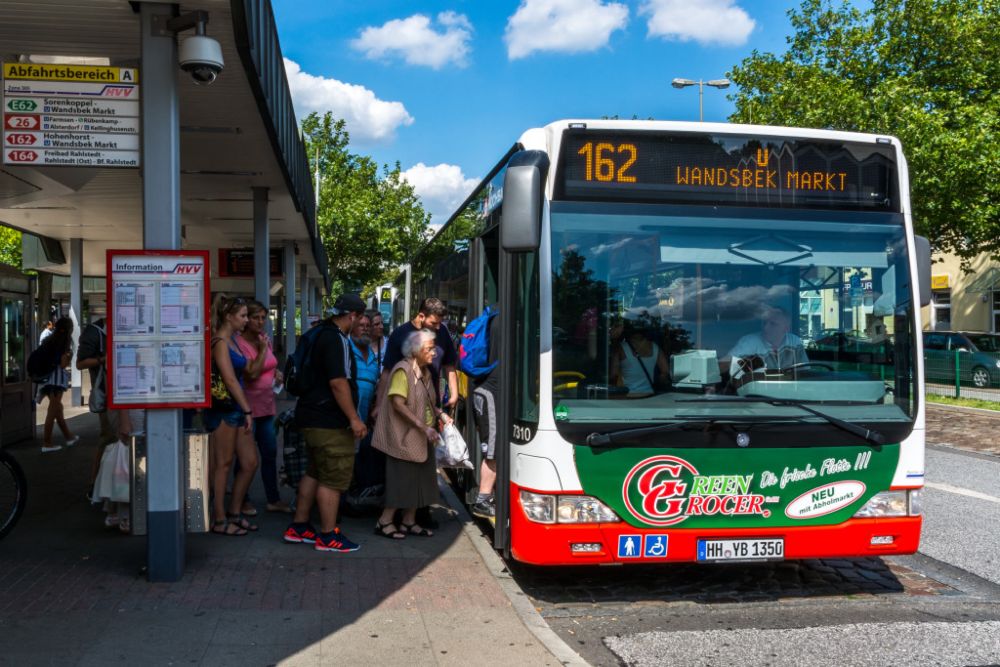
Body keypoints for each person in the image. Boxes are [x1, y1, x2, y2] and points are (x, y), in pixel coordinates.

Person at [283, 293, 367, 553]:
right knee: (332, 478)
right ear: (352, 316)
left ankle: (299, 527)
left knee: (315, 471)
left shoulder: (318, 332)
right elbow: (338, 382)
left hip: (309, 415)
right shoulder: (337, 339)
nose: (361, 322)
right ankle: (328, 535)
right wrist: (354, 418)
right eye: (361, 317)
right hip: (329, 421)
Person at [375, 297, 458, 529]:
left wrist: (449, 398)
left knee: (423, 469)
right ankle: (391, 519)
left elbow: (450, 365)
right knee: (406, 471)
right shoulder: (402, 345)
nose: (438, 329)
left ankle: (412, 518)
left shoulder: (428, 371)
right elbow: (389, 377)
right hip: (411, 417)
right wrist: (379, 404)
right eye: (434, 323)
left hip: (427, 408)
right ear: (421, 316)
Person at [206, 295, 259, 536]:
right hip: (225, 408)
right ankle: (219, 518)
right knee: (223, 464)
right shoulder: (219, 342)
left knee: (249, 462)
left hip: (236, 408)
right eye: (243, 316)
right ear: (228, 317)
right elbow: (229, 379)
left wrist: (264, 347)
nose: (246, 320)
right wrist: (247, 408)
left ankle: (234, 512)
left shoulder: (234, 341)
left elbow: (247, 370)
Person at [236, 300, 290, 514]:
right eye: (255, 317)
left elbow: (269, 366)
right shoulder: (239, 343)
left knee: (269, 454)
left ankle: (273, 499)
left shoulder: (263, 340)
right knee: (246, 460)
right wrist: (260, 351)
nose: (260, 322)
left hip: (267, 406)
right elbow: (250, 373)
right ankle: (243, 499)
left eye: (263, 318)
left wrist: (276, 375)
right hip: (248, 409)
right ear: (246, 319)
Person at [471, 307, 501, 519]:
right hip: (491, 393)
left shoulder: (493, 316)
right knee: (493, 450)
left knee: (494, 448)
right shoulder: (504, 318)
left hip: (486, 390)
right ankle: (483, 499)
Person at [76, 317, 112, 482]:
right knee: (108, 438)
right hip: (106, 394)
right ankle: (96, 484)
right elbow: (80, 363)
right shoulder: (95, 331)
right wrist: (104, 359)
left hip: (128, 394)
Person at [725, 305, 808, 376]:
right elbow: (724, 364)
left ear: (786, 328)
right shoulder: (749, 342)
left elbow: (805, 373)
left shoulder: (795, 342)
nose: (765, 328)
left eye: (773, 324)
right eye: (764, 323)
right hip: (756, 393)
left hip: (789, 393)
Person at [36, 317, 78, 453]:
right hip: (56, 380)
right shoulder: (64, 342)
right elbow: (63, 364)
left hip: (46, 379)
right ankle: (47, 443)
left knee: (58, 409)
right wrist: (70, 355)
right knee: (53, 411)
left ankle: (69, 436)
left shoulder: (48, 340)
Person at [609, 316, 670, 397]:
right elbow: (665, 372)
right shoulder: (655, 347)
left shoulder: (621, 348)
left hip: (629, 397)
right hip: (649, 397)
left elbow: (613, 375)